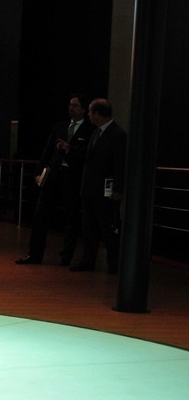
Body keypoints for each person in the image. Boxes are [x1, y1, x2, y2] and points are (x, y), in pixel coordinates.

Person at [16, 94, 94, 266]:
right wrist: (38, 172)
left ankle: (66, 257)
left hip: (72, 178)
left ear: (83, 109)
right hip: (53, 175)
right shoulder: (60, 126)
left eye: (75, 105)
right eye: (70, 104)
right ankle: (34, 254)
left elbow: (88, 154)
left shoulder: (90, 130)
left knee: (71, 217)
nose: (71, 108)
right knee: (40, 213)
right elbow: (47, 150)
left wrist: (69, 149)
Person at [71, 98, 126, 273]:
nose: (88, 115)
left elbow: (120, 164)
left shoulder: (117, 134)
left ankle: (114, 264)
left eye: (90, 112)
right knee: (89, 228)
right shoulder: (96, 132)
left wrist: (118, 189)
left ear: (97, 114)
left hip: (104, 190)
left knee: (107, 227)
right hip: (90, 189)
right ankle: (88, 261)